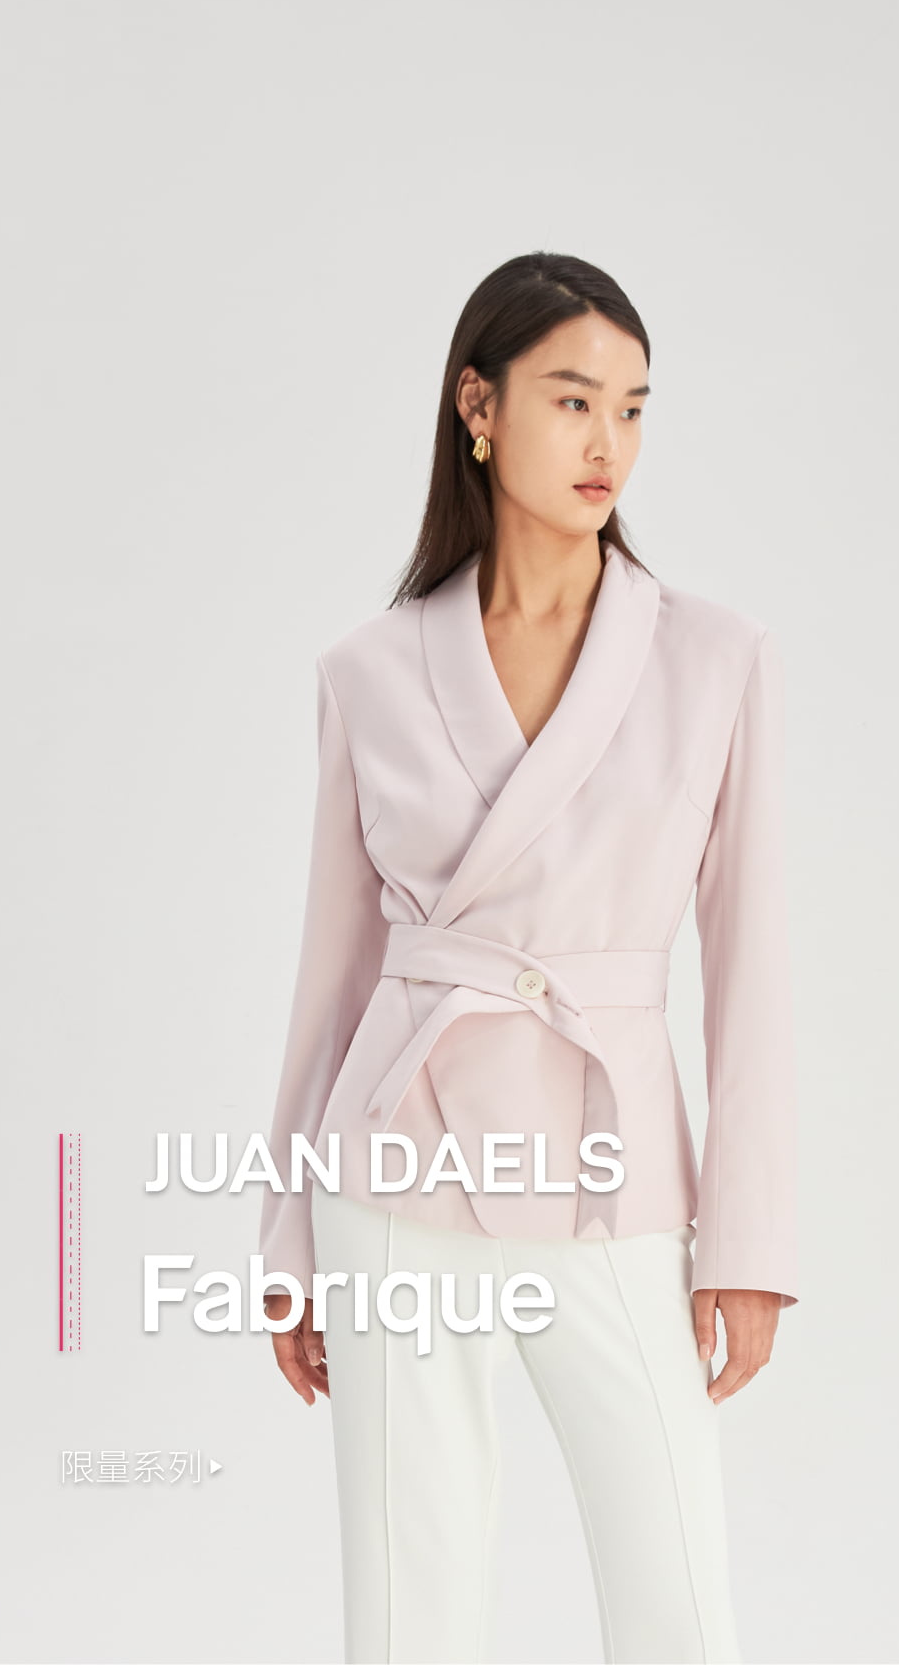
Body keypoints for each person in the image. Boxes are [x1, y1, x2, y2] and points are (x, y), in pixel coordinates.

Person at [257, 251, 799, 1665]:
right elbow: (333, 976)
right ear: (478, 408)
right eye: (572, 400)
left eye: (633, 407)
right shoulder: (368, 670)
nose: (607, 441)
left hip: (609, 1167)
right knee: (410, 1602)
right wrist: (286, 1231)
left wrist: (746, 1242)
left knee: (677, 1595)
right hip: (396, 1161)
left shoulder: (713, 658)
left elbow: (751, 971)